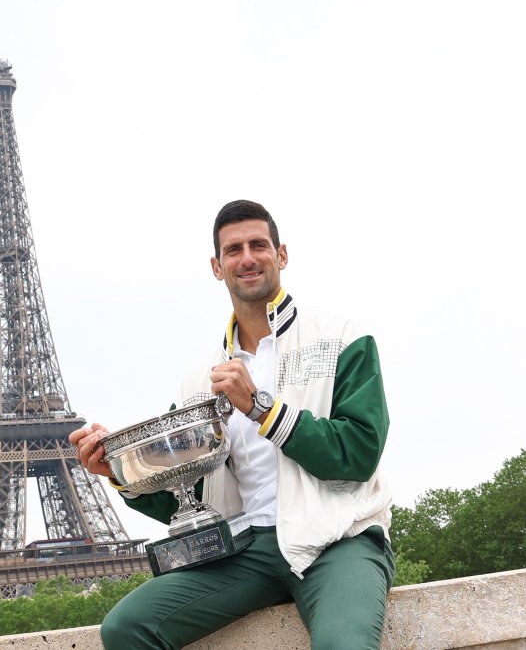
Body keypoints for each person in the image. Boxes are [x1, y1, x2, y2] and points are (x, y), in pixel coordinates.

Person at [69, 200, 394, 650]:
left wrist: (261, 408)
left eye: (258, 245)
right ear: (217, 267)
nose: (247, 258)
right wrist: (120, 475)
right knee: (126, 628)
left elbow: (359, 454)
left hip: (337, 540)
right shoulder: (199, 380)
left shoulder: (341, 337)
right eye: (233, 249)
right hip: (246, 551)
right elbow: (190, 497)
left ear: (281, 255)